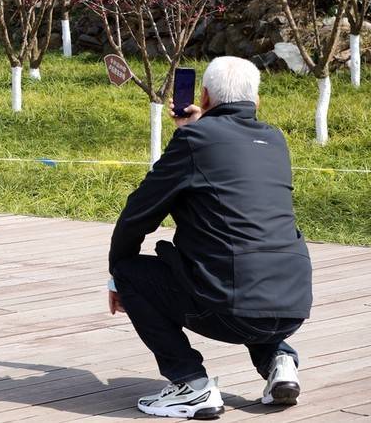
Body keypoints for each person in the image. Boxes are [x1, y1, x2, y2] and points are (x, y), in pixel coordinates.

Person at [107, 56, 312, 419]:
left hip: (228, 307)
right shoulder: (275, 140)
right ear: (257, 100)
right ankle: (279, 359)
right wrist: (195, 128)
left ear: (202, 95)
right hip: (292, 303)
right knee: (246, 267)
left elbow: (139, 212)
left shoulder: (194, 139)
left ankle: (191, 385)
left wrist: (115, 272)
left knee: (129, 270)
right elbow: (224, 150)